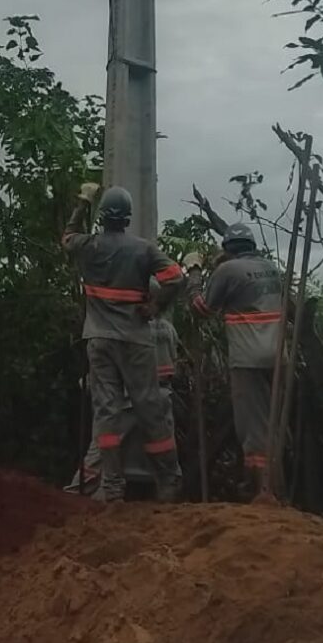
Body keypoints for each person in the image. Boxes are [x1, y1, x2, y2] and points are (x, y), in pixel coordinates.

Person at [62, 184, 184, 502]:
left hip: (98, 340)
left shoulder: (88, 245)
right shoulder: (143, 250)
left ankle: (112, 488)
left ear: (102, 216)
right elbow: (176, 277)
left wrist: (83, 200)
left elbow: (67, 237)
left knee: (106, 413)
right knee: (150, 408)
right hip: (134, 340)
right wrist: (155, 307)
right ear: (127, 218)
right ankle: (168, 482)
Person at [184, 222, 283, 499]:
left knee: (251, 428)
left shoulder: (227, 270)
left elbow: (201, 309)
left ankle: (262, 492)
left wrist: (194, 273)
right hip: (276, 357)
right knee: (270, 422)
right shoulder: (269, 268)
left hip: (248, 357)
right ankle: (273, 486)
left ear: (227, 248)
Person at [65, 281, 182, 498]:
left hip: (126, 402)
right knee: (160, 455)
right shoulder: (167, 329)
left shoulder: (122, 330)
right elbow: (173, 367)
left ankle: (76, 494)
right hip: (160, 401)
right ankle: (168, 493)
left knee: (102, 452)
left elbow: (110, 372)